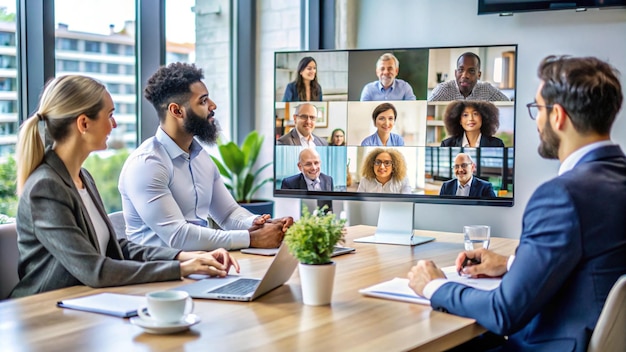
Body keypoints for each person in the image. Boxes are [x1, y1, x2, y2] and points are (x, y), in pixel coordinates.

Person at [408, 56, 626, 351]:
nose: (536, 120)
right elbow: (594, 266)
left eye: (537, 109)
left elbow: (503, 312)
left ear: (558, 116)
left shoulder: (561, 196)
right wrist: (513, 264)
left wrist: (433, 284)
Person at [11, 75, 240, 298]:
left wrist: (183, 257)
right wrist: (182, 269)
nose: (114, 124)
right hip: (44, 311)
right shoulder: (46, 188)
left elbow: (116, 249)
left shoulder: (83, 178)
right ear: (83, 123)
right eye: (110, 115)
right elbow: (95, 269)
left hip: (85, 300)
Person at [119, 63, 292, 252]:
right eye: (203, 101)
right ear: (177, 111)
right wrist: (251, 238)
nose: (213, 106)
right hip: (158, 274)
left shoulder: (200, 157)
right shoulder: (147, 164)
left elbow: (228, 214)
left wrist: (263, 224)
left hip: (202, 264)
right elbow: (179, 236)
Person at [429, 52, 510, 102]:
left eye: (471, 71)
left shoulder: (487, 89)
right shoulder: (443, 89)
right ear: (455, 73)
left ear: (479, 75)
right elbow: (425, 110)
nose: (465, 75)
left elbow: (508, 105)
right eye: (461, 70)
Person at [440, 100, 504, 147]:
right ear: (459, 120)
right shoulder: (447, 144)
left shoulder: (497, 144)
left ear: (484, 117)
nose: (471, 119)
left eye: (475, 114)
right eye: (465, 115)